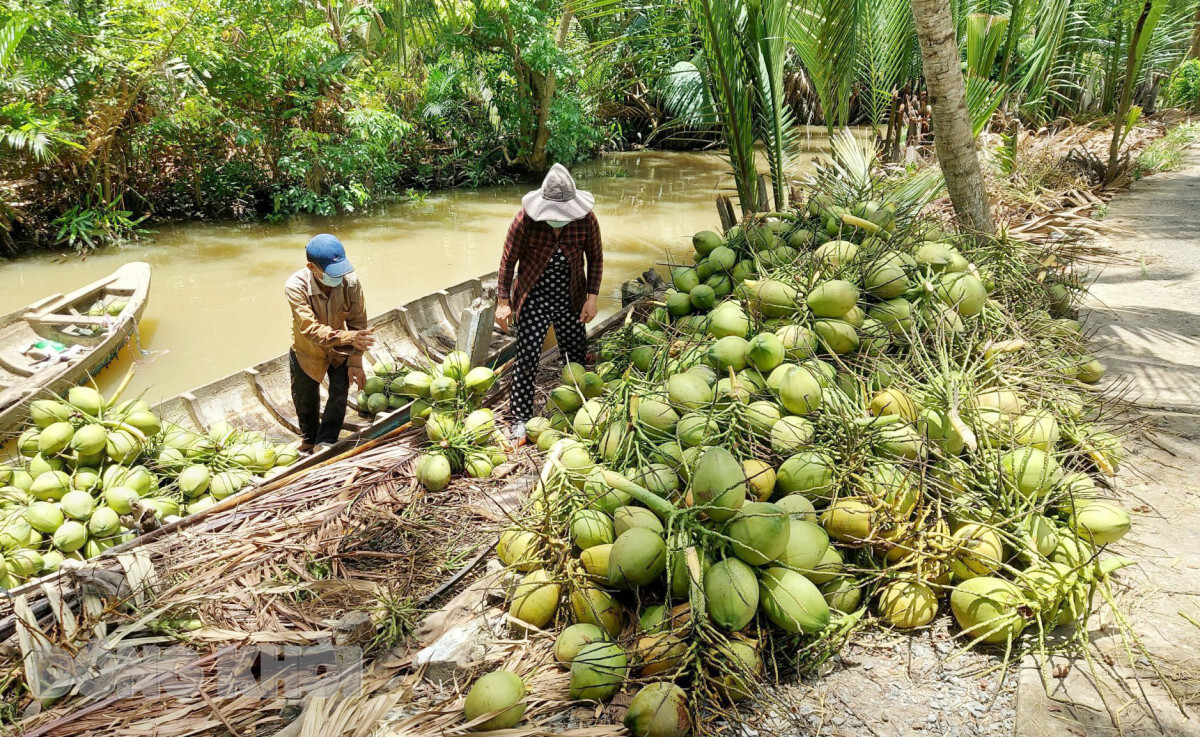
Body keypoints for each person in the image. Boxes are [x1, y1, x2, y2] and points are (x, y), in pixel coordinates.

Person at [496, 163, 603, 443]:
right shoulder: (525, 220)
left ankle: (576, 408)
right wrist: (503, 302)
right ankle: (520, 418)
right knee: (528, 356)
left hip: (571, 295)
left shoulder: (586, 220)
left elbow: (596, 258)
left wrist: (591, 298)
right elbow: (508, 260)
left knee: (576, 353)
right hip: (534, 297)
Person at [285, 234, 375, 452]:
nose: (339, 277)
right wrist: (348, 338)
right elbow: (309, 328)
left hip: (340, 351)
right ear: (312, 267)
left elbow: (357, 324)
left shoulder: (350, 282)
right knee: (304, 397)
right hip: (307, 350)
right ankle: (309, 439)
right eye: (331, 273)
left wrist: (355, 361)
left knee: (340, 392)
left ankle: (326, 441)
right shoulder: (295, 286)